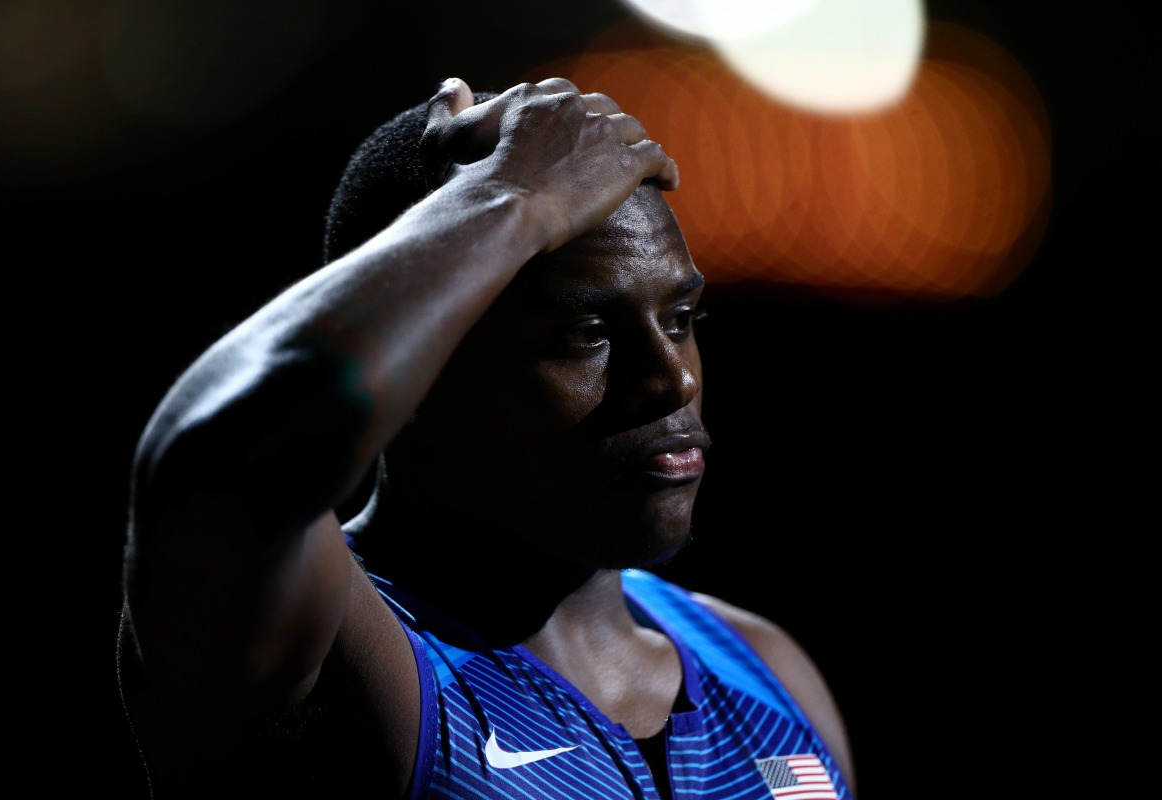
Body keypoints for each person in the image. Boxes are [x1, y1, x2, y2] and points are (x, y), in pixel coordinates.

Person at [117, 75, 857, 800]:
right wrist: (512, 198)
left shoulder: (762, 672)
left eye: (680, 321)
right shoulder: (335, 650)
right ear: (418, 365)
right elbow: (216, 460)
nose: (672, 381)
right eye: (584, 334)